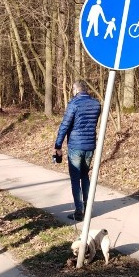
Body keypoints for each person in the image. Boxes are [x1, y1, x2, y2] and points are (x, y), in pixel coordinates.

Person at [53, 80, 101, 221]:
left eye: (73, 90)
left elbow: (65, 125)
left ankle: (79, 211)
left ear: (76, 90)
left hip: (75, 146)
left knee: (75, 178)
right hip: (90, 145)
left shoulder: (74, 104)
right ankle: (87, 208)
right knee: (85, 176)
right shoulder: (96, 104)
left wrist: (58, 145)